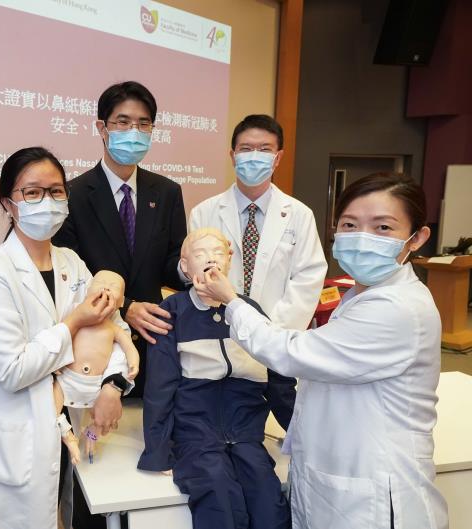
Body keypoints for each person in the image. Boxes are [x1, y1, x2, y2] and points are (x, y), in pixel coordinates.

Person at [197, 173, 449, 529]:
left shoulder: (398, 308)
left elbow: (294, 353)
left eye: (382, 228)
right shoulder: (360, 294)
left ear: (418, 237)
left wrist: (232, 301)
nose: (362, 238)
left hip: (376, 493)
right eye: (350, 224)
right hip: (338, 474)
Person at [0, 147, 127, 529]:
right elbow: (13, 369)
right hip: (14, 429)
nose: (46, 202)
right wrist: (73, 323)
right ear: (8, 203)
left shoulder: (72, 262)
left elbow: (114, 329)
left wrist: (113, 384)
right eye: (32, 193)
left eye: (55, 191)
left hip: (67, 419)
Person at [53, 80, 187, 529]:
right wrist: (124, 305)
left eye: (144, 124)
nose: (134, 132)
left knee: (143, 472)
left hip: (151, 351)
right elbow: (72, 278)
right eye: (123, 122)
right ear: (101, 127)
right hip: (91, 358)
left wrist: (192, 271)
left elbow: (169, 264)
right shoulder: (71, 195)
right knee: (93, 469)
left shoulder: (166, 192)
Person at [139, 228, 294, 529]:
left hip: (247, 435)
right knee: (218, 499)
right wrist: (157, 452)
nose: (210, 259)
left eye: (218, 252)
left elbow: (278, 378)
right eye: (200, 254)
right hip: (196, 438)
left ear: (230, 260)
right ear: (185, 267)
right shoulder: (171, 312)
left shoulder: (247, 310)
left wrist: (301, 432)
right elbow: (160, 388)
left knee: (268, 503)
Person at [188, 114, 326, 333]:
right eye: (245, 149)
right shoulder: (204, 212)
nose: (254, 157)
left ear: (278, 158)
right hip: (217, 331)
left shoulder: (300, 215)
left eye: (264, 149)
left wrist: (270, 333)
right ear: (232, 156)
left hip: (277, 334)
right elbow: (195, 273)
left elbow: (307, 280)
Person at [53, 270, 139, 465]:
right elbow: (60, 333)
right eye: (100, 282)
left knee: (102, 414)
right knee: (53, 400)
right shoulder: (74, 314)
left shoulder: (114, 327)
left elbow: (128, 348)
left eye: (114, 287)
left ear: (120, 303)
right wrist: (55, 362)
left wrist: (134, 363)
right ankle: (66, 432)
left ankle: (93, 432)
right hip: (67, 378)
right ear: (87, 290)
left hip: (96, 385)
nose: (107, 286)